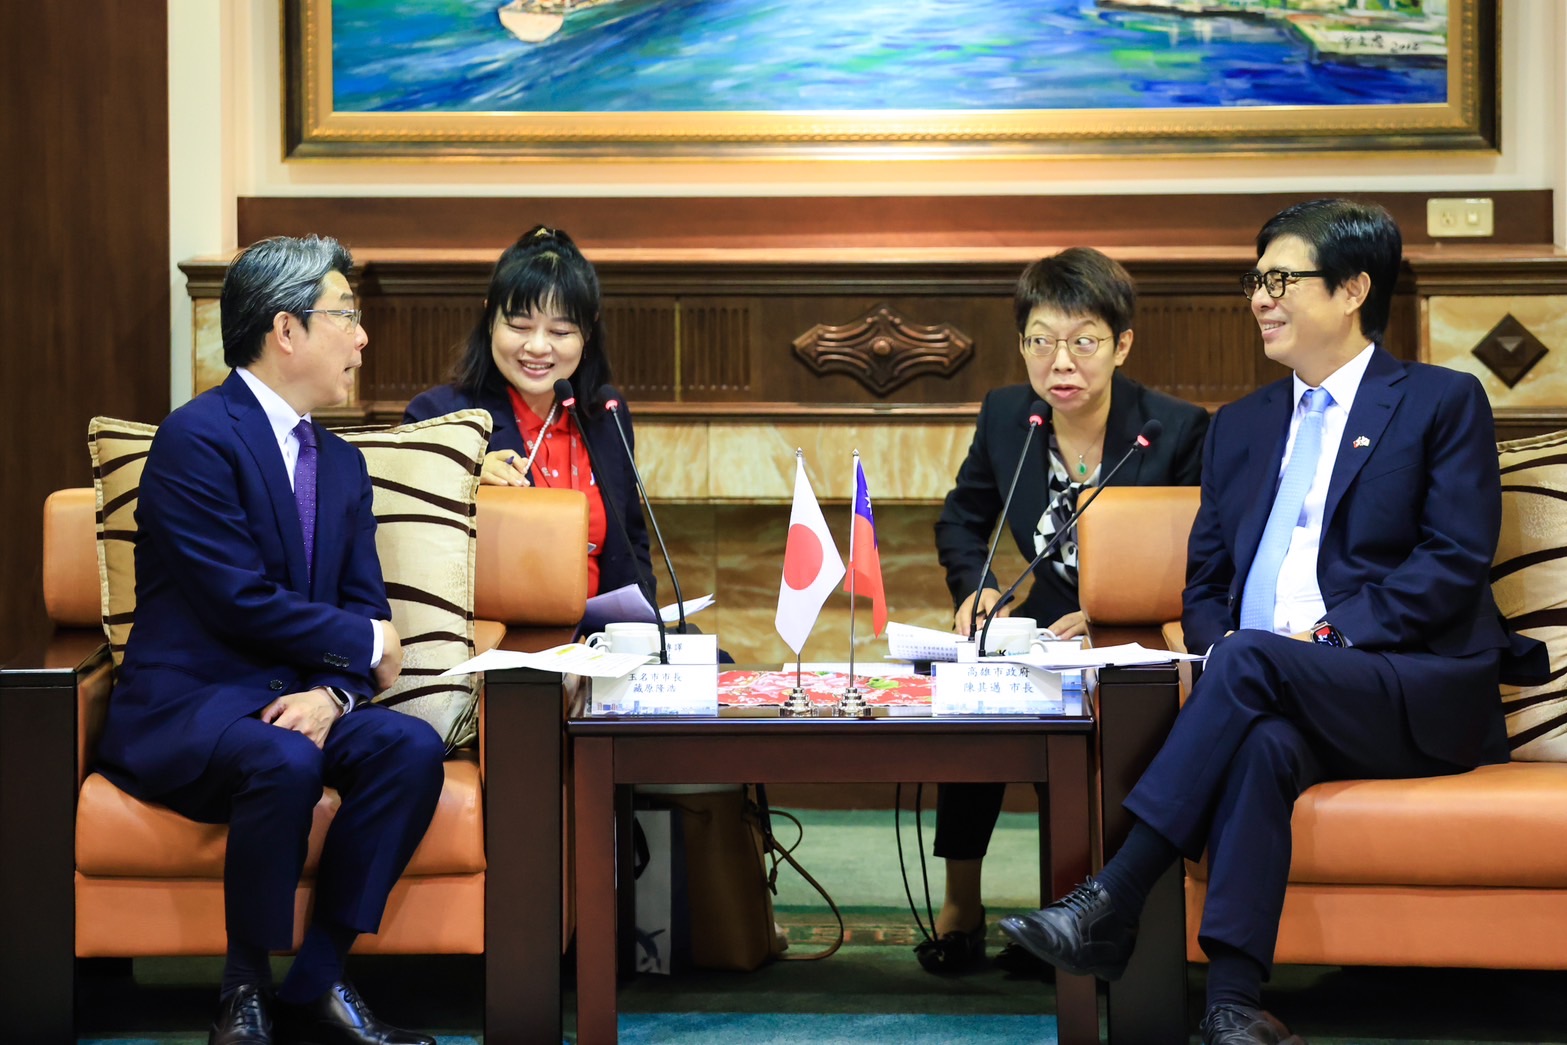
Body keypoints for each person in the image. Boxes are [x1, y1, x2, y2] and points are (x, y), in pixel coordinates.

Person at [1000, 200, 1546, 1044]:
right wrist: (1226, 647)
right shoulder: (1241, 426)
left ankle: (1115, 891)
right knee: (1259, 742)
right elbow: (1206, 582)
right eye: (1255, 279)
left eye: (1281, 279)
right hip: (1269, 687)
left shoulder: (1440, 401)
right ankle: (1233, 1005)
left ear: (1352, 289)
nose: (1259, 297)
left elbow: (1450, 562)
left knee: (1249, 664)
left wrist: (1310, 644)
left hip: (1408, 687)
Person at [95, 236, 446, 1045]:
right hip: (197, 703)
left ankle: (317, 980)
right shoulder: (195, 438)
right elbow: (236, 599)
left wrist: (335, 694)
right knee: (281, 758)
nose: (362, 337)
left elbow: (364, 603)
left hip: (298, 695)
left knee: (409, 748)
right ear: (286, 329)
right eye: (346, 316)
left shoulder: (343, 463)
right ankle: (242, 988)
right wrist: (365, 643)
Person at [925, 248, 1210, 974]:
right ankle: (960, 906)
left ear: (1121, 345)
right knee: (976, 703)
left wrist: (1113, 611)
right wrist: (978, 588)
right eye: (1040, 340)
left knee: (1106, 740)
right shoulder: (1006, 416)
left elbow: (1201, 551)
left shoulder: (1175, 429)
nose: (1061, 362)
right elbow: (963, 518)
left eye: (1083, 341)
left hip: (1139, 633)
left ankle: (1080, 908)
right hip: (1047, 620)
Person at [404, 224, 654, 605]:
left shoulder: (607, 412)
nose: (537, 347)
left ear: (588, 331)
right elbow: (407, 542)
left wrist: (644, 625)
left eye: (560, 331)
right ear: (490, 319)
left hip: (601, 634)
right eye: (519, 326)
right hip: (497, 634)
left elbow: (632, 546)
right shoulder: (441, 416)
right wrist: (462, 479)